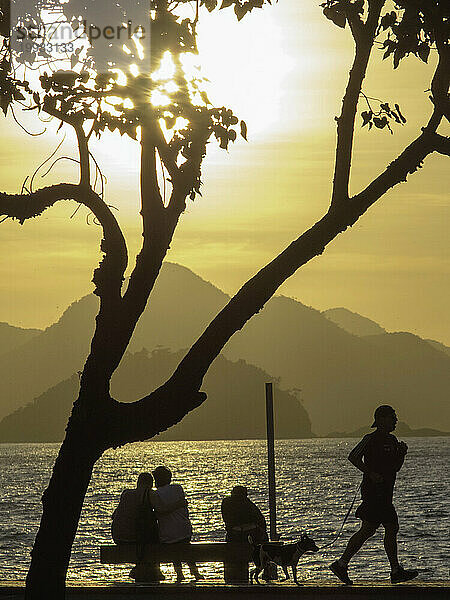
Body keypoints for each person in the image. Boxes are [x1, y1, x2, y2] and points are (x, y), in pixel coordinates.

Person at [329, 405, 418, 585]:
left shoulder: (393, 441)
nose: (395, 420)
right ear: (381, 420)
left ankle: (342, 564)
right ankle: (394, 570)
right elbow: (353, 456)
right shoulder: (370, 439)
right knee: (388, 527)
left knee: (370, 529)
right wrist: (370, 473)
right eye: (392, 417)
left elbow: (395, 467)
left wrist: (402, 453)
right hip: (373, 493)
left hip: (386, 493)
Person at [152, 465, 203, 583]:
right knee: (185, 546)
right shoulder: (178, 488)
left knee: (173, 548)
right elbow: (182, 505)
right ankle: (194, 571)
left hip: (167, 534)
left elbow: (159, 511)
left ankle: (179, 573)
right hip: (184, 529)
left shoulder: (155, 494)